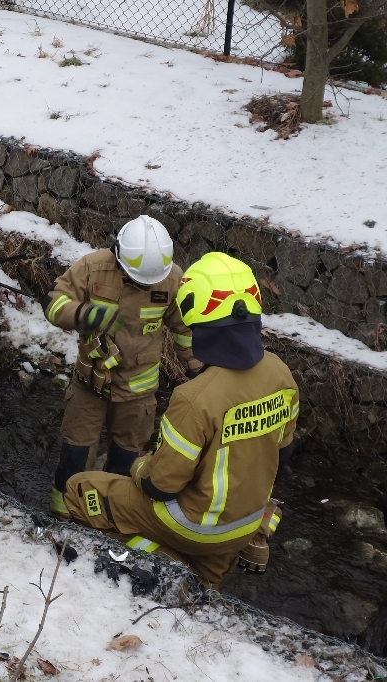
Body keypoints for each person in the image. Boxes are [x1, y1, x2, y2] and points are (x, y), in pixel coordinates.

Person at [62, 253, 299, 587]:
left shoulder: (195, 397)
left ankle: (167, 568)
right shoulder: (280, 374)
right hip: (242, 526)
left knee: (80, 489)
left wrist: (140, 466)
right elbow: (281, 455)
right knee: (207, 582)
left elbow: (159, 486)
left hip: (191, 526)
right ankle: (202, 580)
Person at [41, 215, 203, 518]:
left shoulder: (171, 279)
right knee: (75, 457)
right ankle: (62, 517)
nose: (143, 286)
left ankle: (108, 521)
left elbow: (184, 330)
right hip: (89, 385)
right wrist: (85, 314)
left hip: (137, 396)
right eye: (137, 280)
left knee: (126, 464)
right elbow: (53, 302)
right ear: (118, 257)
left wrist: (198, 369)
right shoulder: (93, 267)